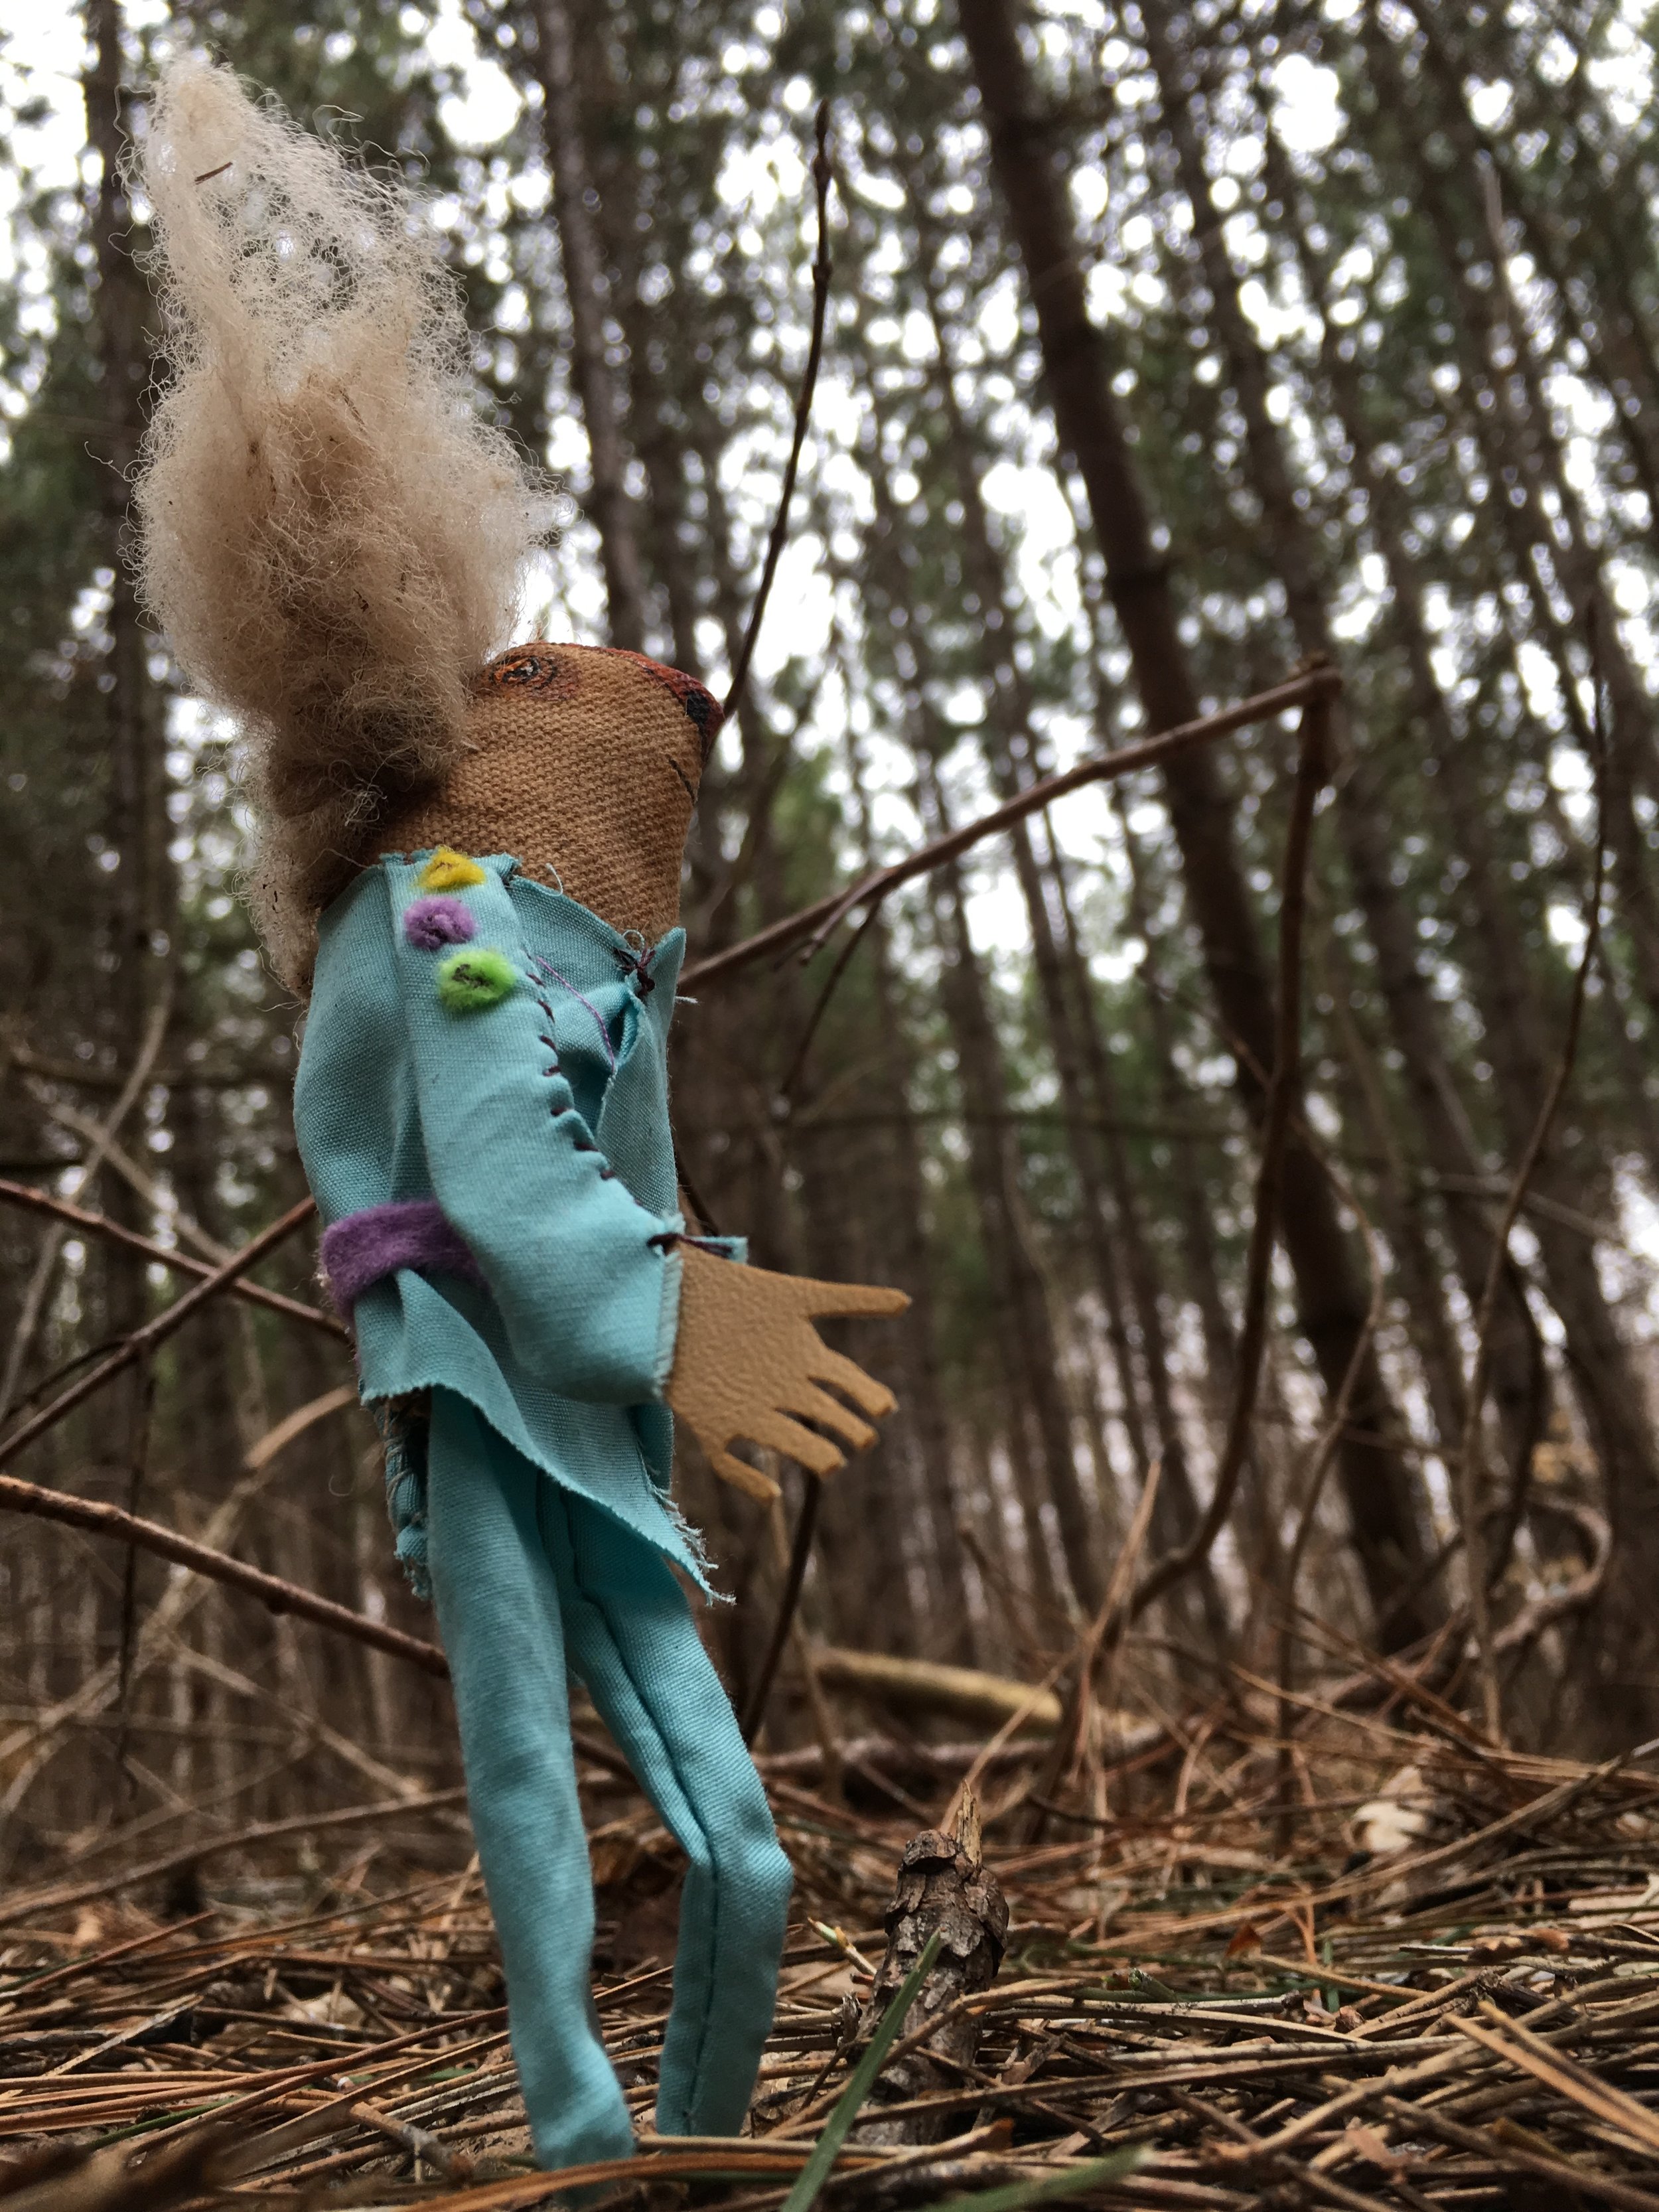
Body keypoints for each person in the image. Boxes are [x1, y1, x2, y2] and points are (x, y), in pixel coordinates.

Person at [131, 61, 905, 2174]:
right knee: (533, 1786)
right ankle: (585, 2143)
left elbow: (570, 1138)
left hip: (558, 1371)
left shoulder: (535, 932)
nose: (670, 712)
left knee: (713, 1833)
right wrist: (669, 1316)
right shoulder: (457, 907)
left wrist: (662, 1306)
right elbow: (494, 1159)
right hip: (487, 1372)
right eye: (575, 689)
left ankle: (684, 2142)